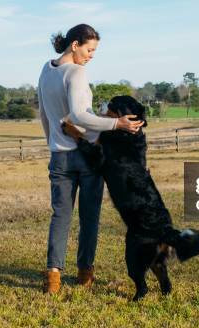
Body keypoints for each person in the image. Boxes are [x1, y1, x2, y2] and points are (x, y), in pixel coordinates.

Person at [37, 23, 143, 294]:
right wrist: (117, 124)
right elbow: (81, 116)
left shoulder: (46, 70)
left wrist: (52, 141)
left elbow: (44, 114)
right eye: (89, 49)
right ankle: (85, 273)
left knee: (60, 216)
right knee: (89, 217)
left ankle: (53, 277)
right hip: (88, 154)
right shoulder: (77, 72)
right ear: (75, 45)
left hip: (59, 156)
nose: (91, 55)